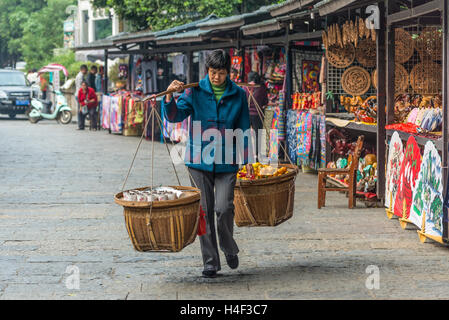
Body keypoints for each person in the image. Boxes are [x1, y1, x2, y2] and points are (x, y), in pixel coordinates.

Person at [162, 49, 253, 278]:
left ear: (228, 73)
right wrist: (169, 96)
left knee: (224, 209)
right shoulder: (194, 92)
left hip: (227, 160)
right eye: (213, 72)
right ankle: (210, 261)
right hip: (198, 160)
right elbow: (174, 117)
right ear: (207, 71)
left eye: (221, 73)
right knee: (204, 212)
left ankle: (229, 248)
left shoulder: (239, 94)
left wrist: (249, 159)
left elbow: (243, 128)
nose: (216, 77)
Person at [244, 71, 268, 160]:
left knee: (245, 134)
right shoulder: (262, 88)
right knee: (258, 135)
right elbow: (265, 102)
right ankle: (257, 155)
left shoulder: (244, 87)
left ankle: (245, 154)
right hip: (257, 115)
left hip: (246, 114)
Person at [75, 65, 88, 130]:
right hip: (79, 95)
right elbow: (81, 87)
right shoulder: (81, 76)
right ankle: (80, 125)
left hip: (78, 94)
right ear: (83, 69)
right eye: (86, 70)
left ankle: (81, 125)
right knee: (81, 110)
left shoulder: (79, 75)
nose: (86, 72)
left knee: (82, 110)